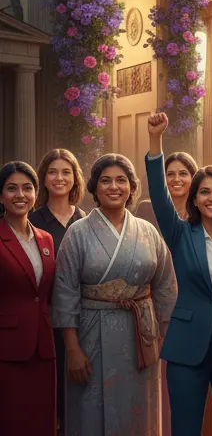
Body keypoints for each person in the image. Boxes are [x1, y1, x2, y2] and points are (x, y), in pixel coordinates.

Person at [51, 153, 178, 435]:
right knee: (90, 410)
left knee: (138, 411)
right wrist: (72, 349)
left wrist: (164, 339)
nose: (113, 187)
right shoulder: (78, 233)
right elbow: (64, 292)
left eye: (121, 180)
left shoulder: (148, 232)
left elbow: (166, 288)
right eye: (105, 180)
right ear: (95, 188)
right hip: (89, 337)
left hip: (141, 339)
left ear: (132, 188)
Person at [145, 113, 212, 436]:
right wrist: (155, 141)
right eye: (205, 192)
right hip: (185, 348)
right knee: (185, 429)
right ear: (194, 198)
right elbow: (159, 193)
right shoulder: (180, 234)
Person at [29, 148, 87, 433]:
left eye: (66, 172)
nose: (59, 178)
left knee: (81, 398)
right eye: (52, 171)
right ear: (43, 178)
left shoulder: (88, 221)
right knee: (47, 402)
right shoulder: (31, 222)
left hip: (83, 323)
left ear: (76, 178)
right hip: (44, 323)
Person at [0, 161, 57, 436]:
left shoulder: (46, 239)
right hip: (7, 349)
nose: (20, 194)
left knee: (41, 422)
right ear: (1, 196)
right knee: (11, 421)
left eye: (27, 187)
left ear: (36, 193)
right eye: (12, 188)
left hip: (44, 347)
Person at [135, 151, 199, 225]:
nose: (176, 179)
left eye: (183, 174)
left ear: (193, 177)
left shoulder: (200, 211)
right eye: (170, 174)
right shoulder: (147, 209)